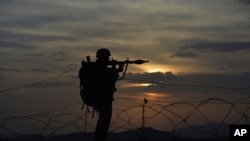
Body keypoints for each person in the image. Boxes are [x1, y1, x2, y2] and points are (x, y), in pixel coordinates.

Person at [94, 48, 123, 141]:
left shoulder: (99, 68)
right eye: (107, 57)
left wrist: (117, 69)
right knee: (104, 121)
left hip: (103, 97)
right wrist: (115, 68)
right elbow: (110, 79)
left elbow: (110, 74)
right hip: (103, 97)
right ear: (103, 58)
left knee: (104, 120)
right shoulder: (99, 69)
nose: (108, 59)